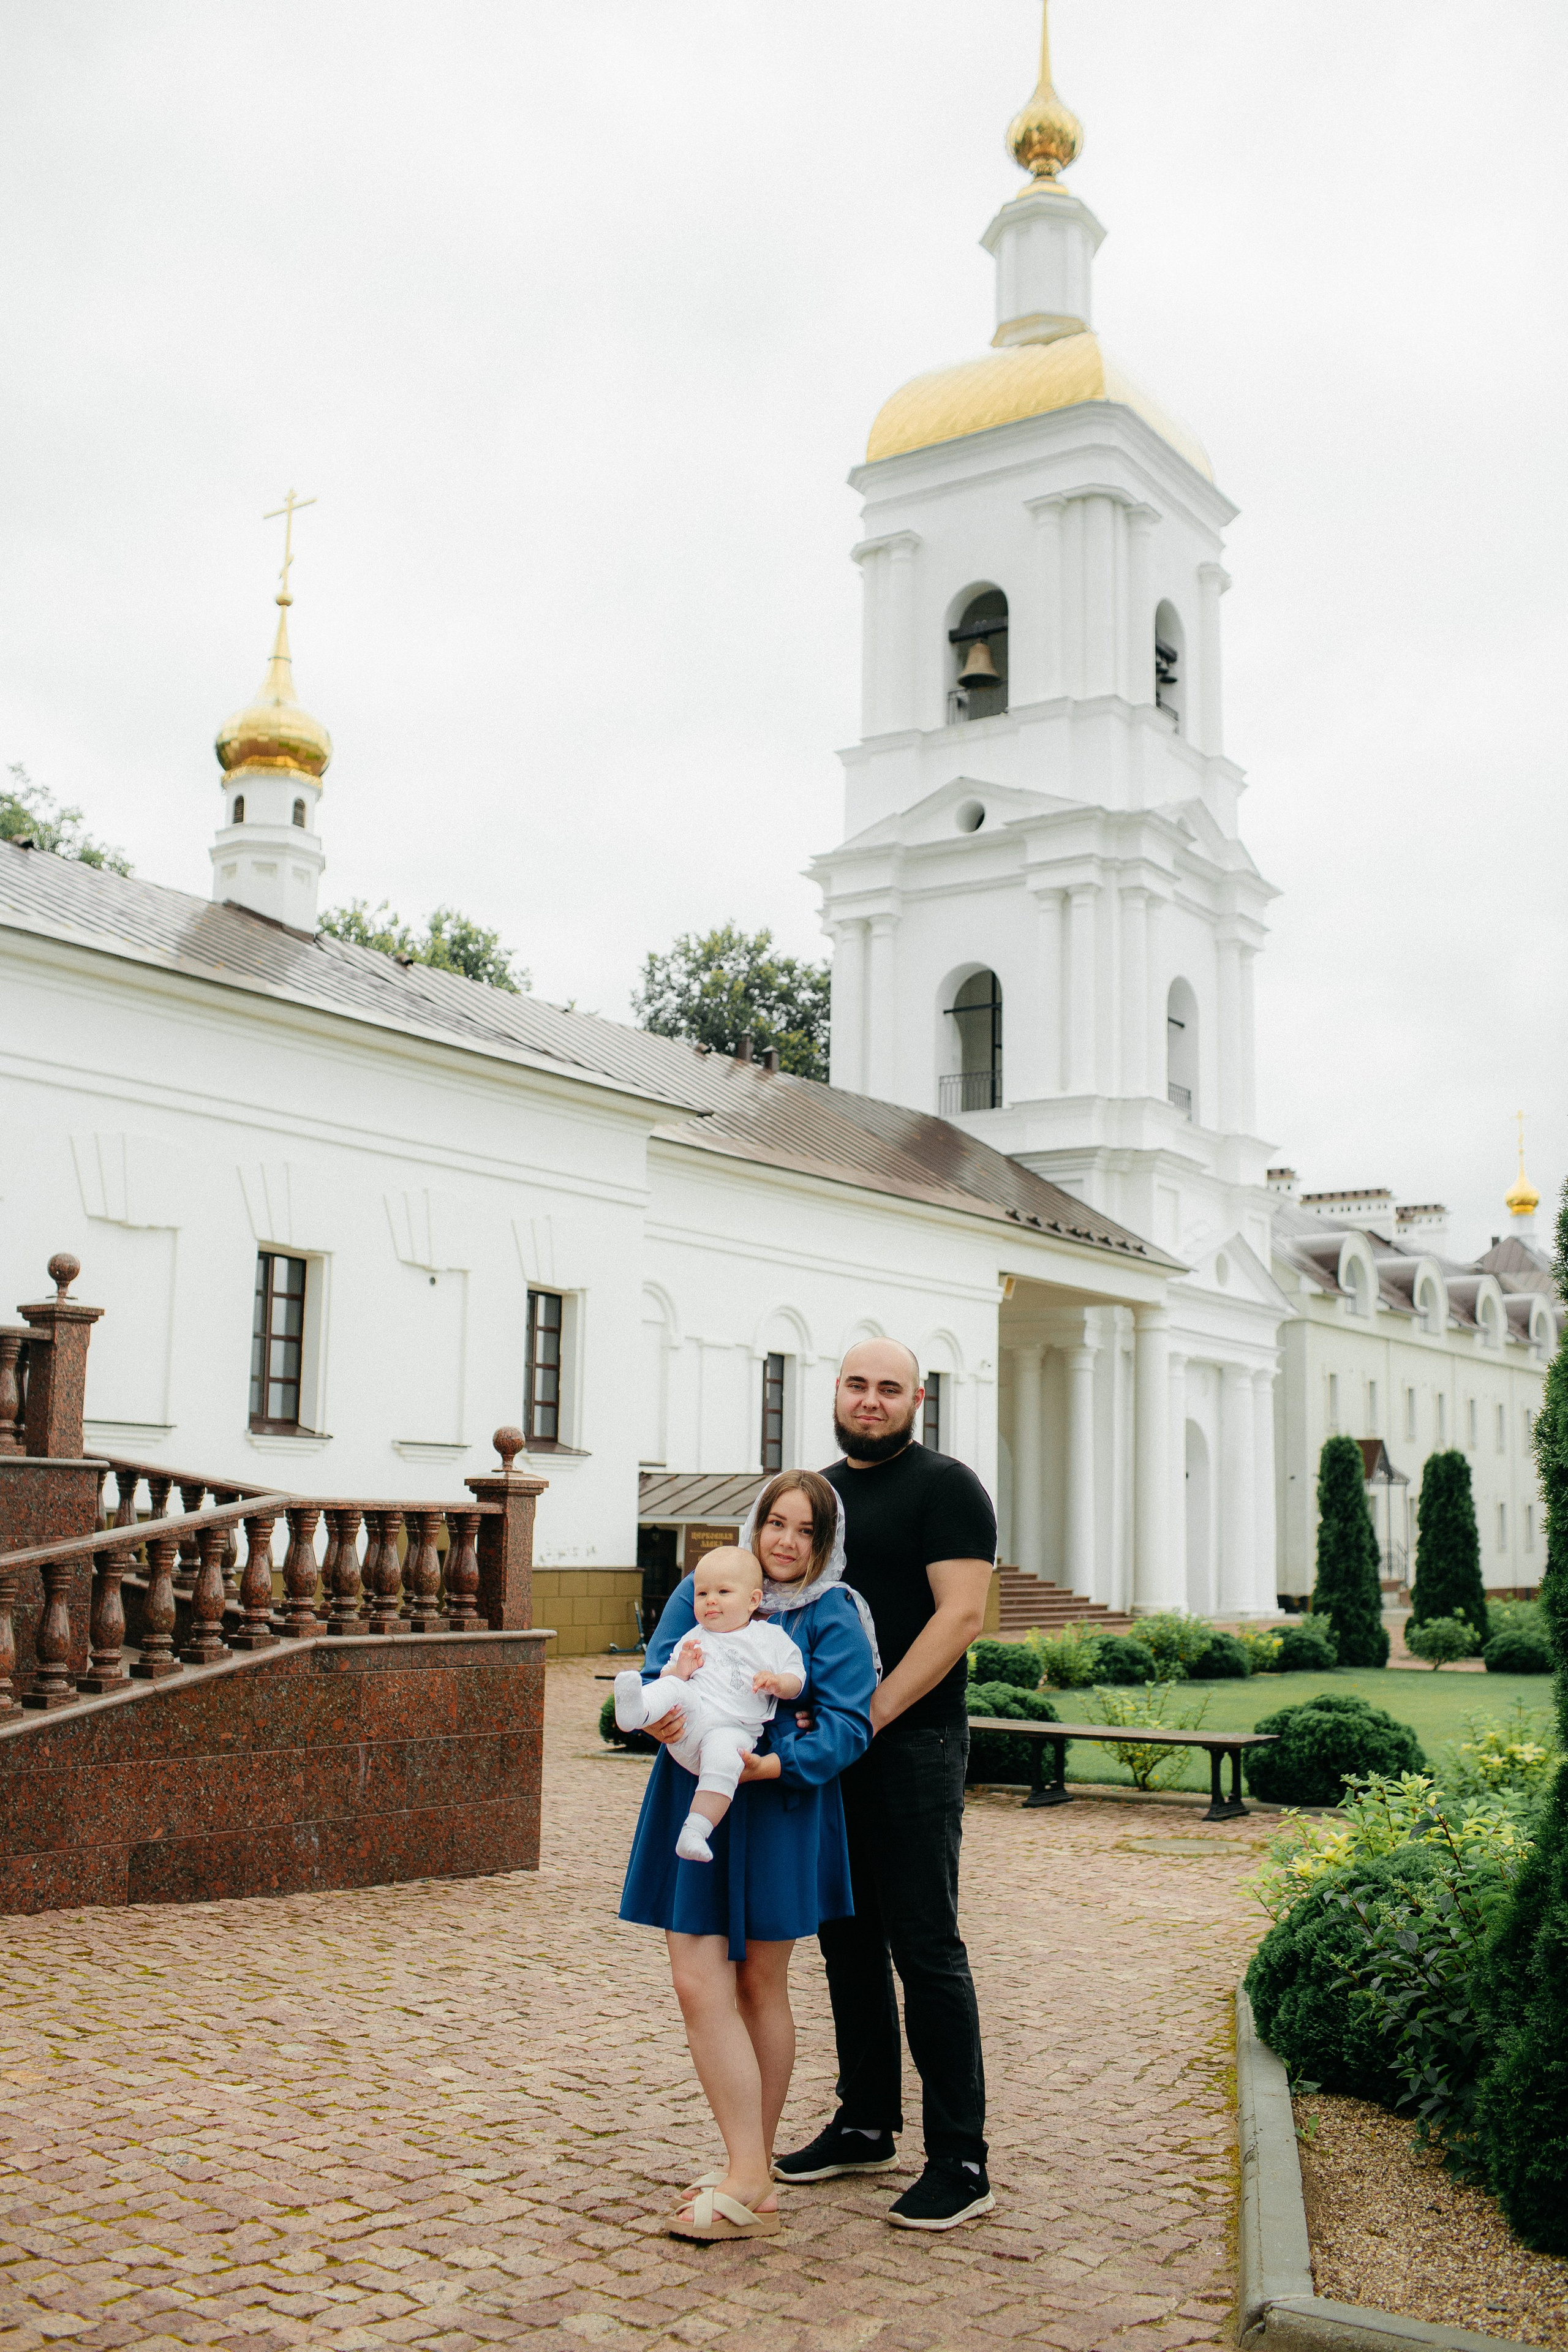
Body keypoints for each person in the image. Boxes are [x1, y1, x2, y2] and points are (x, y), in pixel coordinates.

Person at [774, 1338, 998, 2231]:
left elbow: (963, 1615)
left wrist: (868, 1713)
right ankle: (866, 2122)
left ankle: (962, 2159)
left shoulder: (946, 1487)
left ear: (918, 1400)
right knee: (846, 1942)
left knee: (925, 1947)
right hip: (833, 1750)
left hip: (912, 1747)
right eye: (858, 1385)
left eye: (890, 1389)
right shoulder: (821, 1496)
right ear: (836, 1391)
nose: (872, 1401)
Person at [619, 1468, 876, 2241]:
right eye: (775, 1524)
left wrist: (780, 1762)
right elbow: (666, 1666)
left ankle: (748, 2175)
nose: (786, 1543)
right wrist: (661, 1718)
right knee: (697, 1983)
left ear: (823, 1540)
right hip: (692, 1799)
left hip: (778, 1812)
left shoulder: (833, 1614)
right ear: (754, 1526)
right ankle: (748, 2168)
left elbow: (848, 1724)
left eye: (804, 1530)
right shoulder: (707, 1586)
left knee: (761, 1984)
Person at [612, 1547, 804, 1862]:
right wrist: (681, 1669)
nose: (710, 1600)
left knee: (727, 1759)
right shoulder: (695, 1637)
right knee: (674, 1687)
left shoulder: (771, 1638)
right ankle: (636, 1712)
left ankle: (696, 1830)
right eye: (702, 1594)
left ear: (753, 1600)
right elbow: (668, 1673)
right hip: (689, 1723)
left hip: (731, 1729)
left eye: (723, 1592)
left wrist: (779, 1683)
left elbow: (797, 1677)